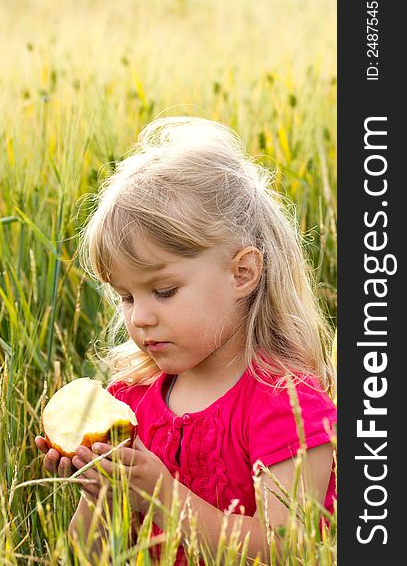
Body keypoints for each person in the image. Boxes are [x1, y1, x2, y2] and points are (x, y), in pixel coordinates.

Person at [35, 116, 337, 564]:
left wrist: (161, 497)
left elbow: (288, 548)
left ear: (242, 273)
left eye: (164, 291)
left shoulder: (286, 406)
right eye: (125, 296)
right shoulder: (130, 402)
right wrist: (102, 494)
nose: (139, 317)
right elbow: (83, 555)